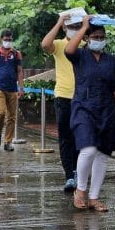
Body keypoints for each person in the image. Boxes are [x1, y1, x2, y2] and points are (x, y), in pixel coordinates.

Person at [65, 16, 115, 212]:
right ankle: (80, 190)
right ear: (87, 38)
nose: (99, 39)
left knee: (102, 154)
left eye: (102, 36)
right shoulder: (80, 55)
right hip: (83, 108)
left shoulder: (110, 60)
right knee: (89, 149)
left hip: (106, 110)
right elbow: (68, 49)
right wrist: (84, 26)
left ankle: (94, 197)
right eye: (95, 36)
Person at [41, 12, 83, 192]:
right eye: (71, 26)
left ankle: (79, 172)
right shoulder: (58, 45)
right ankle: (69, 175)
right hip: (64, 96)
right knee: (66, 137)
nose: (75, 30)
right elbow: (45, 44)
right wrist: (59, 22)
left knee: (82, 137)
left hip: (82, 98)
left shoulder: (85, 45)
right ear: (65, 27)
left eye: (77, 26)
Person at [0, 30, 24, 151]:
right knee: (1, 112)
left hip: (12, 88)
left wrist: (21, 88)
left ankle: (8, 142)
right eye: (6, 39)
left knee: (12, 117)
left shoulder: (16, 54)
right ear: (1, 39)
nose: (8, 41)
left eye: (10, 39)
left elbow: (19, 71)